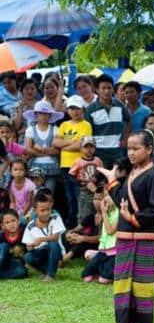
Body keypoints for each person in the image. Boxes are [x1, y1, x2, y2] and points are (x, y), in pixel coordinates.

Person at [99, 130, 154, 323]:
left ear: (149, 149)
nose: (131, 152)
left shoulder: (153, 176)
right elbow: (122, 200)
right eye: (129, 148)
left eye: (136, 148)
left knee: (142, 284)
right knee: (125, 284)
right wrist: (112, 182)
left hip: (144, 237)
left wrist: (134, 218)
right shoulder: (133, 173)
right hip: (126, 237)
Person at [53, 95, 93, 228]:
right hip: (65, 165)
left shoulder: (86, 125)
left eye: (77, 108)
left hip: (80, 165)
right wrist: (72, 142)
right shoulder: (64, 125)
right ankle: (71, 224)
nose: (74, 111)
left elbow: (81, 145)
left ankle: (81, 223)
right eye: (71, 108)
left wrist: (64, 146)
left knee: (79, 196)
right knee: (69, 197)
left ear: (82, 109)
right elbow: (55, 142)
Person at [85, 75, 131, 169]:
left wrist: (125, 139)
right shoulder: (90, 109)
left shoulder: (119, 105)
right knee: (101, 181)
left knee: (118, 180)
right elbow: (88, 133)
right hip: (99, 153)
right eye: (103, 88)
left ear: (113, 89)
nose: (106, 91)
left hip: (118, 152)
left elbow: (129, 120)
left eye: (109, 88)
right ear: (97, 90)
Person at [22, 191, 66, 281]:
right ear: (35, 210)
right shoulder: (30, 226)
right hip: (41, 253)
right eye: (42, 210)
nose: (46, 213)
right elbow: (28, 248)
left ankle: (50, 275)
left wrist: (41, 239)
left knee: (53, 244)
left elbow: (55, 238)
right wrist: (31, 246)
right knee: (27, 257)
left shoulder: (55, 218)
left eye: (48, 209)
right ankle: (47, 271)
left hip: (56, 252)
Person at [24, 100, 62, 192]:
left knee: (49, 191)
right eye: (41, 114)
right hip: (35, 166)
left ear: (50, 115)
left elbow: (58, 150)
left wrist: (40, 150)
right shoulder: (30, 130)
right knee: (35, 192)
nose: (43, 116)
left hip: (52, 166)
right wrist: (47, 152)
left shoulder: (55, 129)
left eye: (46, 114)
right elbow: (28, 149)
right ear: (36, 115)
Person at [82, 192, 118, 284]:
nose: (105, 199)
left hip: (114, 252)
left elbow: (110, 231)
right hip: (103, 251)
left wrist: (104, 213)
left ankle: (109, 273)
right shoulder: (106, 211)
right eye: (105, 196)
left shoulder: (119, 212)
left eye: (108, 196)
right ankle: (102, 271)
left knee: (103, 280)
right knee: (86, 277)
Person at [69, 137, 103, 228]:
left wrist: (98, 184)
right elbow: (71, 175)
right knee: (84, 212)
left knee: (97, 211)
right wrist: (79, 183)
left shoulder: (98, 161)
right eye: (86, 147)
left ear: (95, 148)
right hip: (84, 190)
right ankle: (81, 230)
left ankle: (95, 230)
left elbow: (102, 173)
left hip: (96, 190)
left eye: (91, 147)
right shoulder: (78, 161)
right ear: (81, 148)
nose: (89, 149)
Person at [0, 209, 27, 279]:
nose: (11, 224)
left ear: (18, 221)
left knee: (22, 272)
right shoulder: (1, 236)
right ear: (2, 226)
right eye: (7, 222)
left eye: (13, 221)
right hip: (2, 261)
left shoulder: (25, 234)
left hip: (16, 264)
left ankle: (2, 275)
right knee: (4, 246)